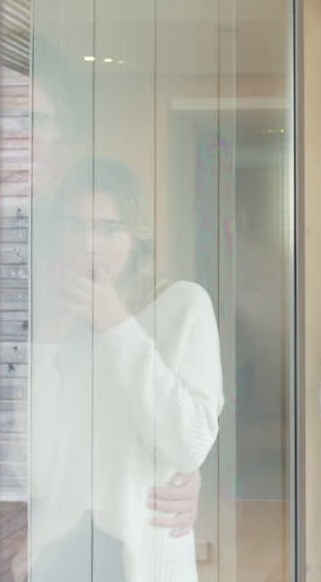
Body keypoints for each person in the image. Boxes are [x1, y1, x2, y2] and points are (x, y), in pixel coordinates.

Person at [30, 157, 223, 582]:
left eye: (108, 227)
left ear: (135, 235)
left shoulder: (184, 306)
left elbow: (190, 444)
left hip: (144, 557)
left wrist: (116, 324)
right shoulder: (45, 322)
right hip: (55, 557)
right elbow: (33, 469)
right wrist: (46, 337)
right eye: (73, 225)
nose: (88, 243)